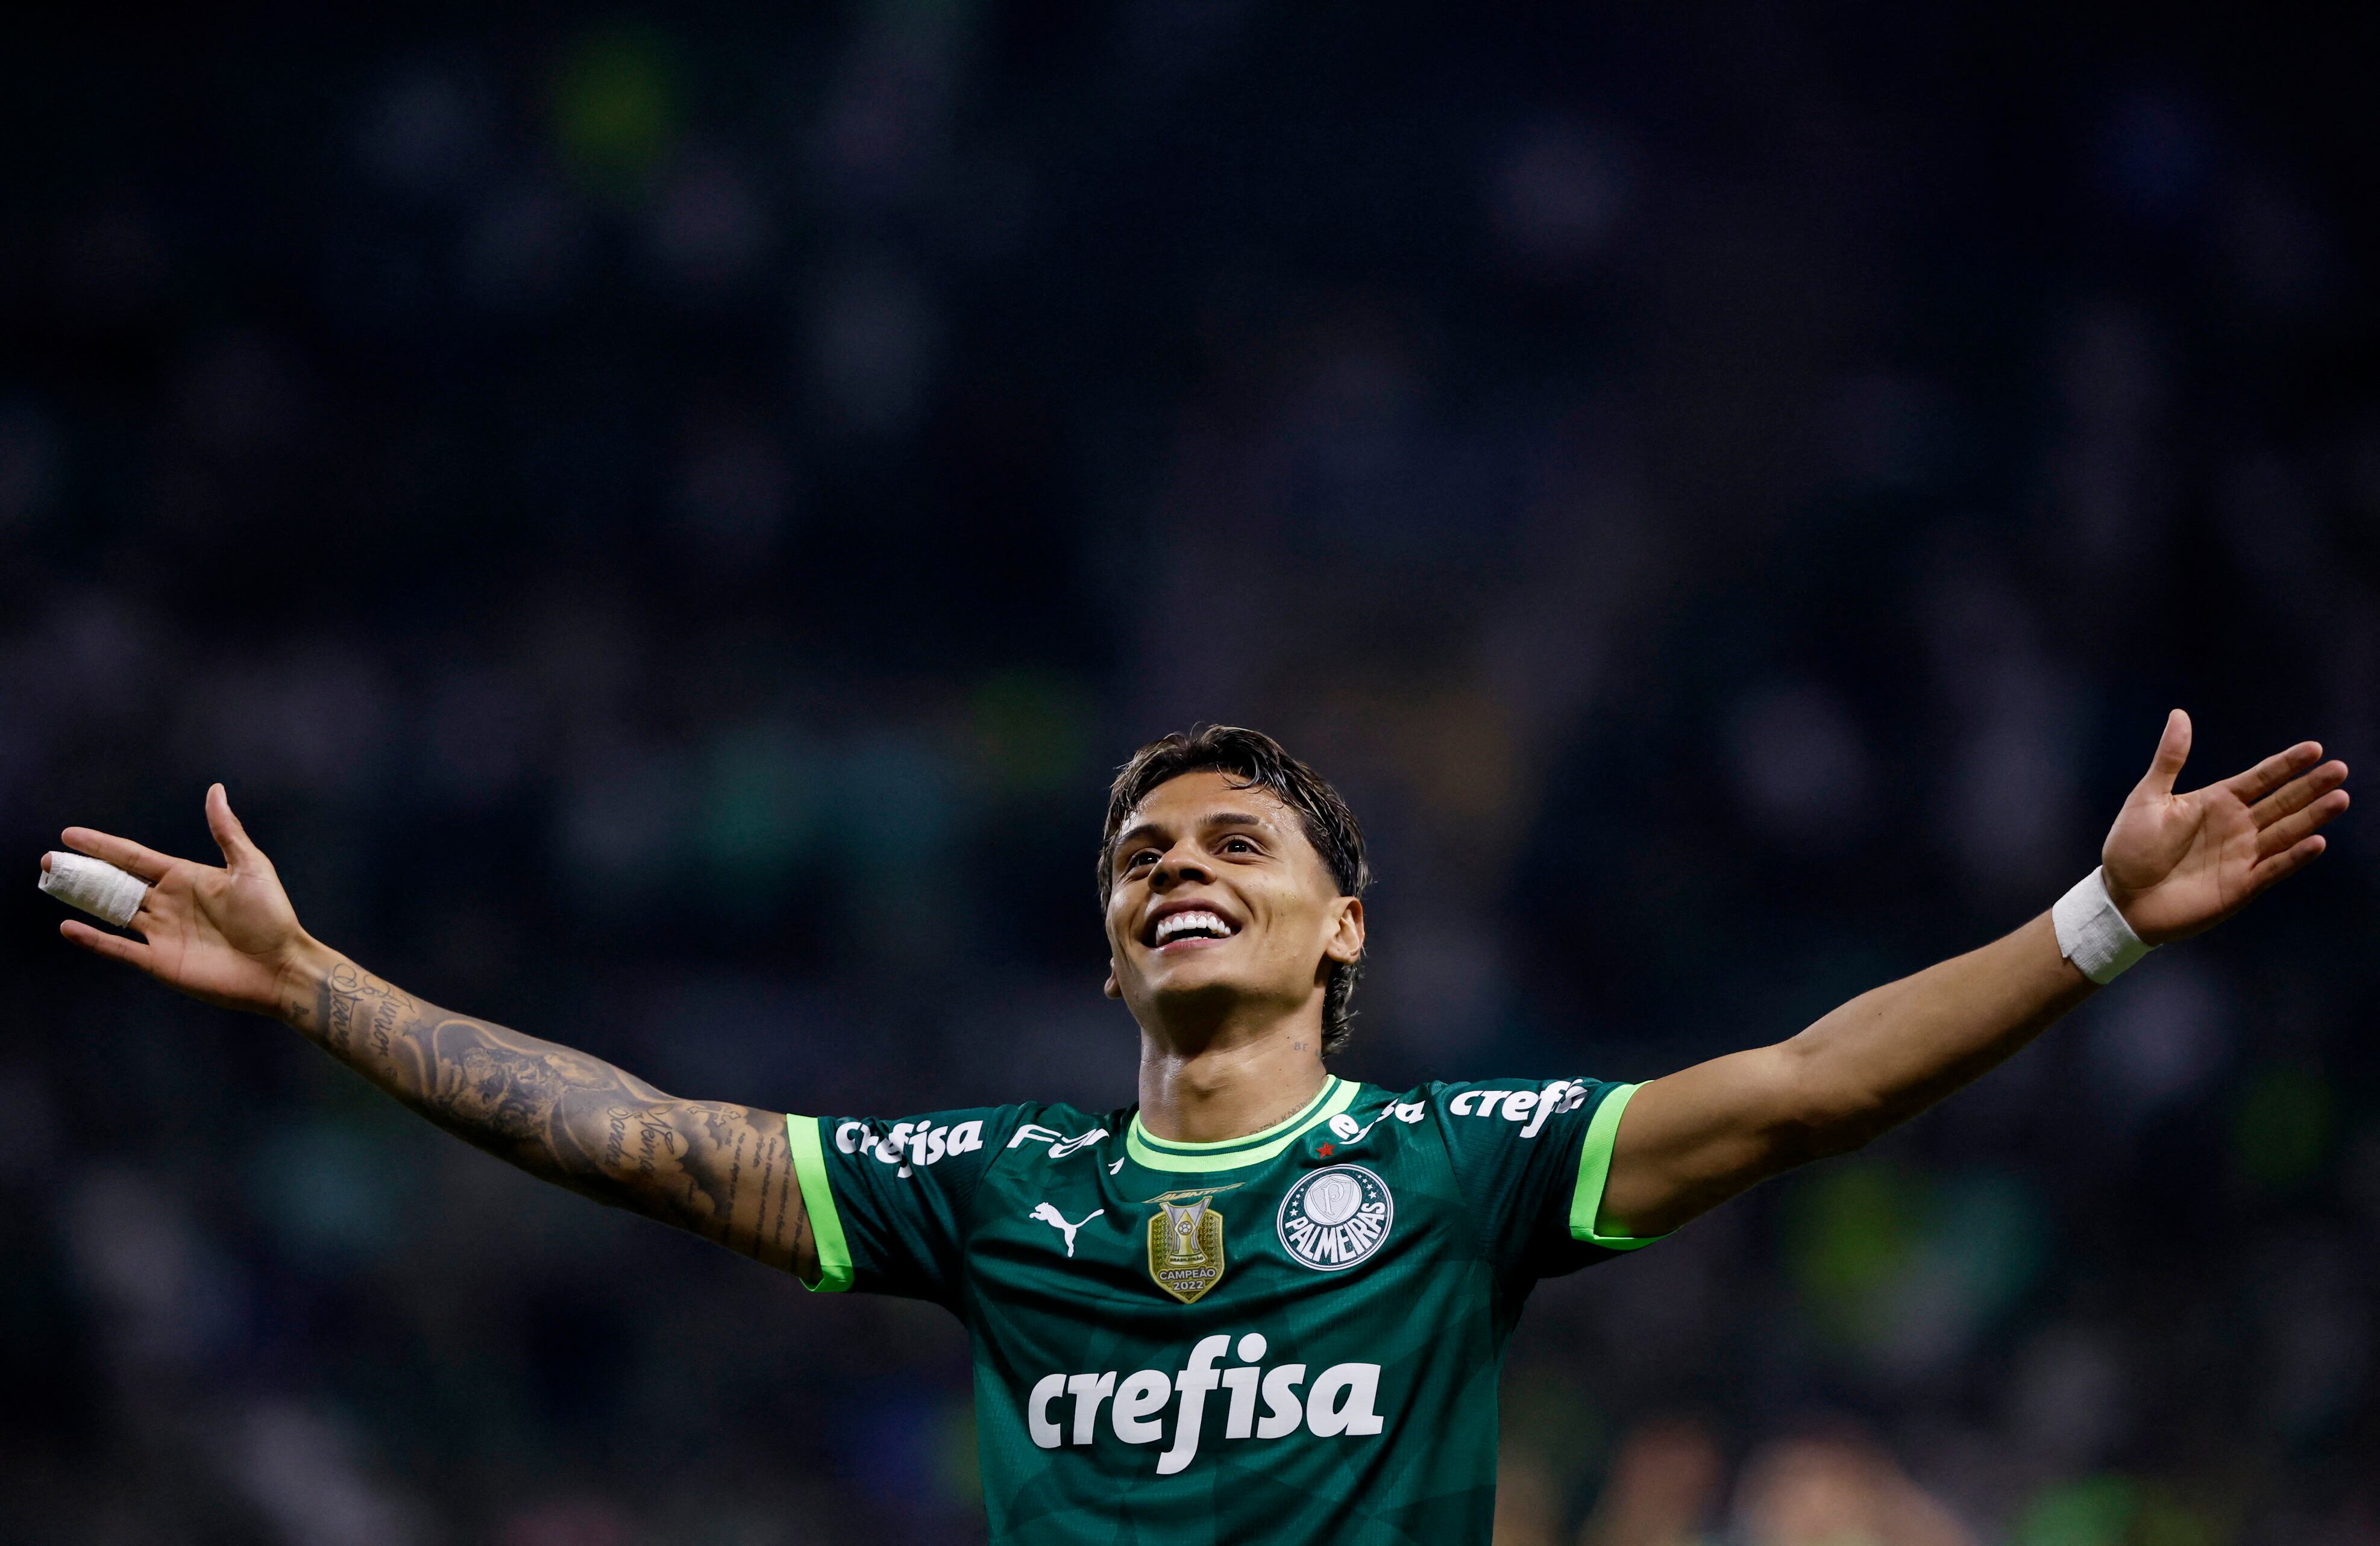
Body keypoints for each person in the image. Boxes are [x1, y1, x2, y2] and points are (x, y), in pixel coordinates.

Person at [45, 717, 2347, 1545]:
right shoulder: (1000, 1194)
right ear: (1107, 954)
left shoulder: (1461, 1167)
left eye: (1239, 841)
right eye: (1147, 854)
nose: (1179, 867)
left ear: (1346, 925)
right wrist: (312, 980)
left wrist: (2098, 925)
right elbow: (648, 1141)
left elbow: (1816, 1089)